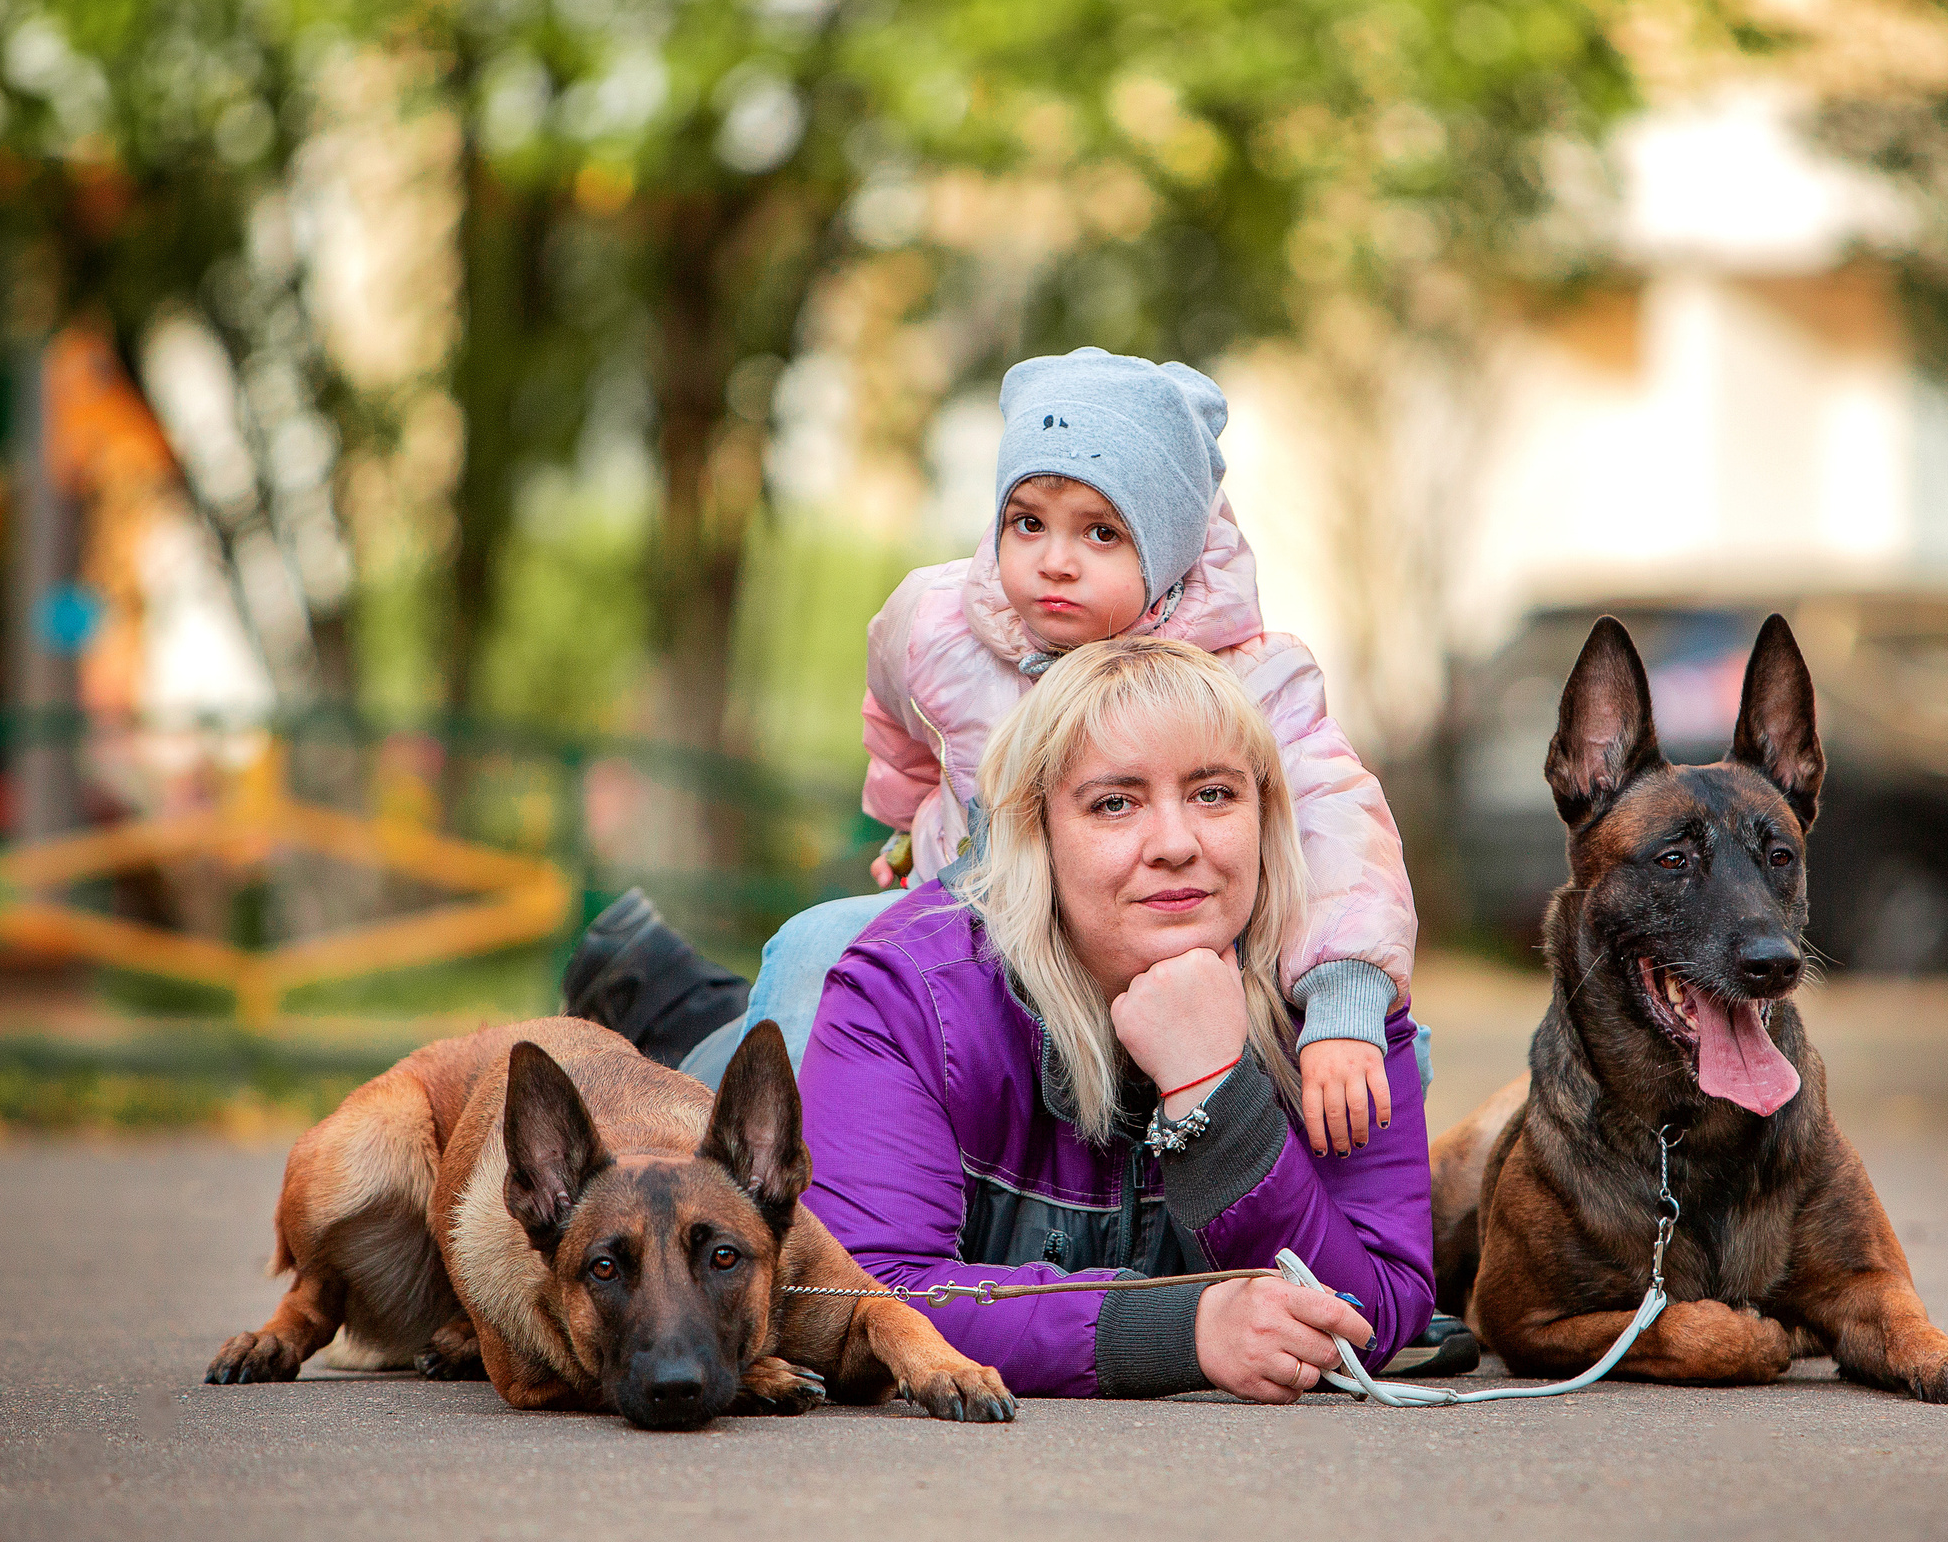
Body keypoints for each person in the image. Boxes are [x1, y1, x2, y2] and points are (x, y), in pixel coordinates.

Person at [568, 347, 1419, 1159]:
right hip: (969, 931)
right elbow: (900, 719)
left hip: (1138, 935)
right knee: (814, 951)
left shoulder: (1243, 677)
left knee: (1380, 1050)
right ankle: (746, 1156)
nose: (1055, 562)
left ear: (1166, 547)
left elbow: (1339, 823)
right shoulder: (940, 626)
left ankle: (663, 992)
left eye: (1101, 534)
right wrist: (908, 821)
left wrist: (1345, 992)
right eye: (1028, 522)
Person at [809, 635, 1431, 1397]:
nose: (1175, 843)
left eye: (1213, 794)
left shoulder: (1336, 997)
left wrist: (1216, 1093)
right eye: (1115, 803)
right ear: (1037, 832)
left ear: (1266, 814)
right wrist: (1183, 1329)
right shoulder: (905, 998)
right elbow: (860, 1294)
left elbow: (1378, 1311)